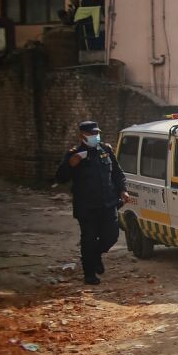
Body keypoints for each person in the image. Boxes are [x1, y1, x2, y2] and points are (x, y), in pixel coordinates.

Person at [54, 120, 131, 285]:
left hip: (108, 203)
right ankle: (89, 273)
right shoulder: (74, 154)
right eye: (91, 134)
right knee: (88, 239)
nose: (95, 136)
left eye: (97, 133)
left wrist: (123, 190)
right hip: (86, 206)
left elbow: (118, 173)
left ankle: (95, 256)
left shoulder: (106, 150)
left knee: (111, 236)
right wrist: (71, 164)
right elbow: (60, 177)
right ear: (82, 135)